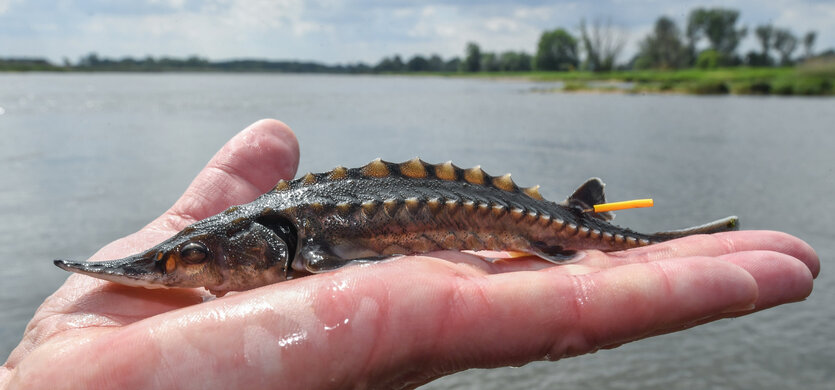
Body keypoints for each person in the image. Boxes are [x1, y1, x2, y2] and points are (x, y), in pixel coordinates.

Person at [0, 119, 818, 389]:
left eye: (186, 262)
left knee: (615, 242)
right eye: (181, 262)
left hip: (541, 221)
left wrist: (567, 228)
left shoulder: (309, 240)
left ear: (269, 245)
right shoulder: (292, 235)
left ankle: (676, 234)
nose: (175, 272)